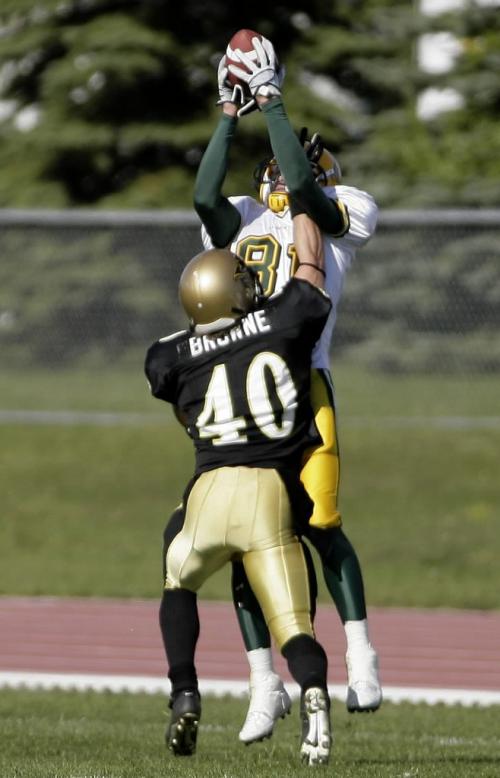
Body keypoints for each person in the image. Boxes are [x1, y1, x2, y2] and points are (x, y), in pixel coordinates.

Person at [192, 34, 382, 744]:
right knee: (247, 538)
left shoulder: (343, 211)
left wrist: (272, 104)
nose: (287, 169)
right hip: (242, 388)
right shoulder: (243, 216)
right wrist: (227, 113)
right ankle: (262, 682)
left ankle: (362, 654)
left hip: (304, 381)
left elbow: (306, 189)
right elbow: (204, 194)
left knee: (321, 522)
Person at [145, 209, 334, 765]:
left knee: (178, 578)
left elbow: (184, 408)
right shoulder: (282, 321)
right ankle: (315, 693)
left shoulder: (168, 355)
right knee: (294, 626)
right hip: (268, 490)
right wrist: (304, 204)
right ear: (230, 291)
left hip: (208, 491)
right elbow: (311, 269)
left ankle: (184, 689)